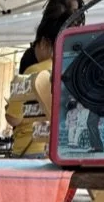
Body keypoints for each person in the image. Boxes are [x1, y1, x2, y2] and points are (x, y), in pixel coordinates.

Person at [6, 13, 64, 157]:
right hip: (54, 149)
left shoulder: (30, 73)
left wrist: (9, 108)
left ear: (43, 43)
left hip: (28, 149)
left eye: (35, 45)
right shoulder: (64, 70)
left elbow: (14, 118)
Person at [19, 0, 85, 73]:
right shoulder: (44, 45)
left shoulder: (70, 42)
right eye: (73, 11)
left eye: (77, 12)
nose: (76, 19)